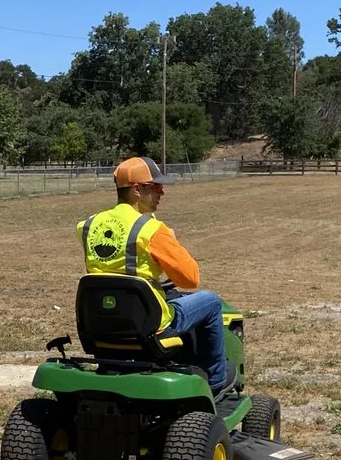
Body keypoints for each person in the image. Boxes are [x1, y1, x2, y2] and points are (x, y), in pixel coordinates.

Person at [76, 156, 229, 395]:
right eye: (155, 186)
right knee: (210, 301)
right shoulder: (153, 230)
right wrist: (171, 240)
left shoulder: (86, 226)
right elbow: (190, 279)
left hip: (102, 320)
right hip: (149, 324)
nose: (162, 192)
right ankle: (217, 382)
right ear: (137, 190)